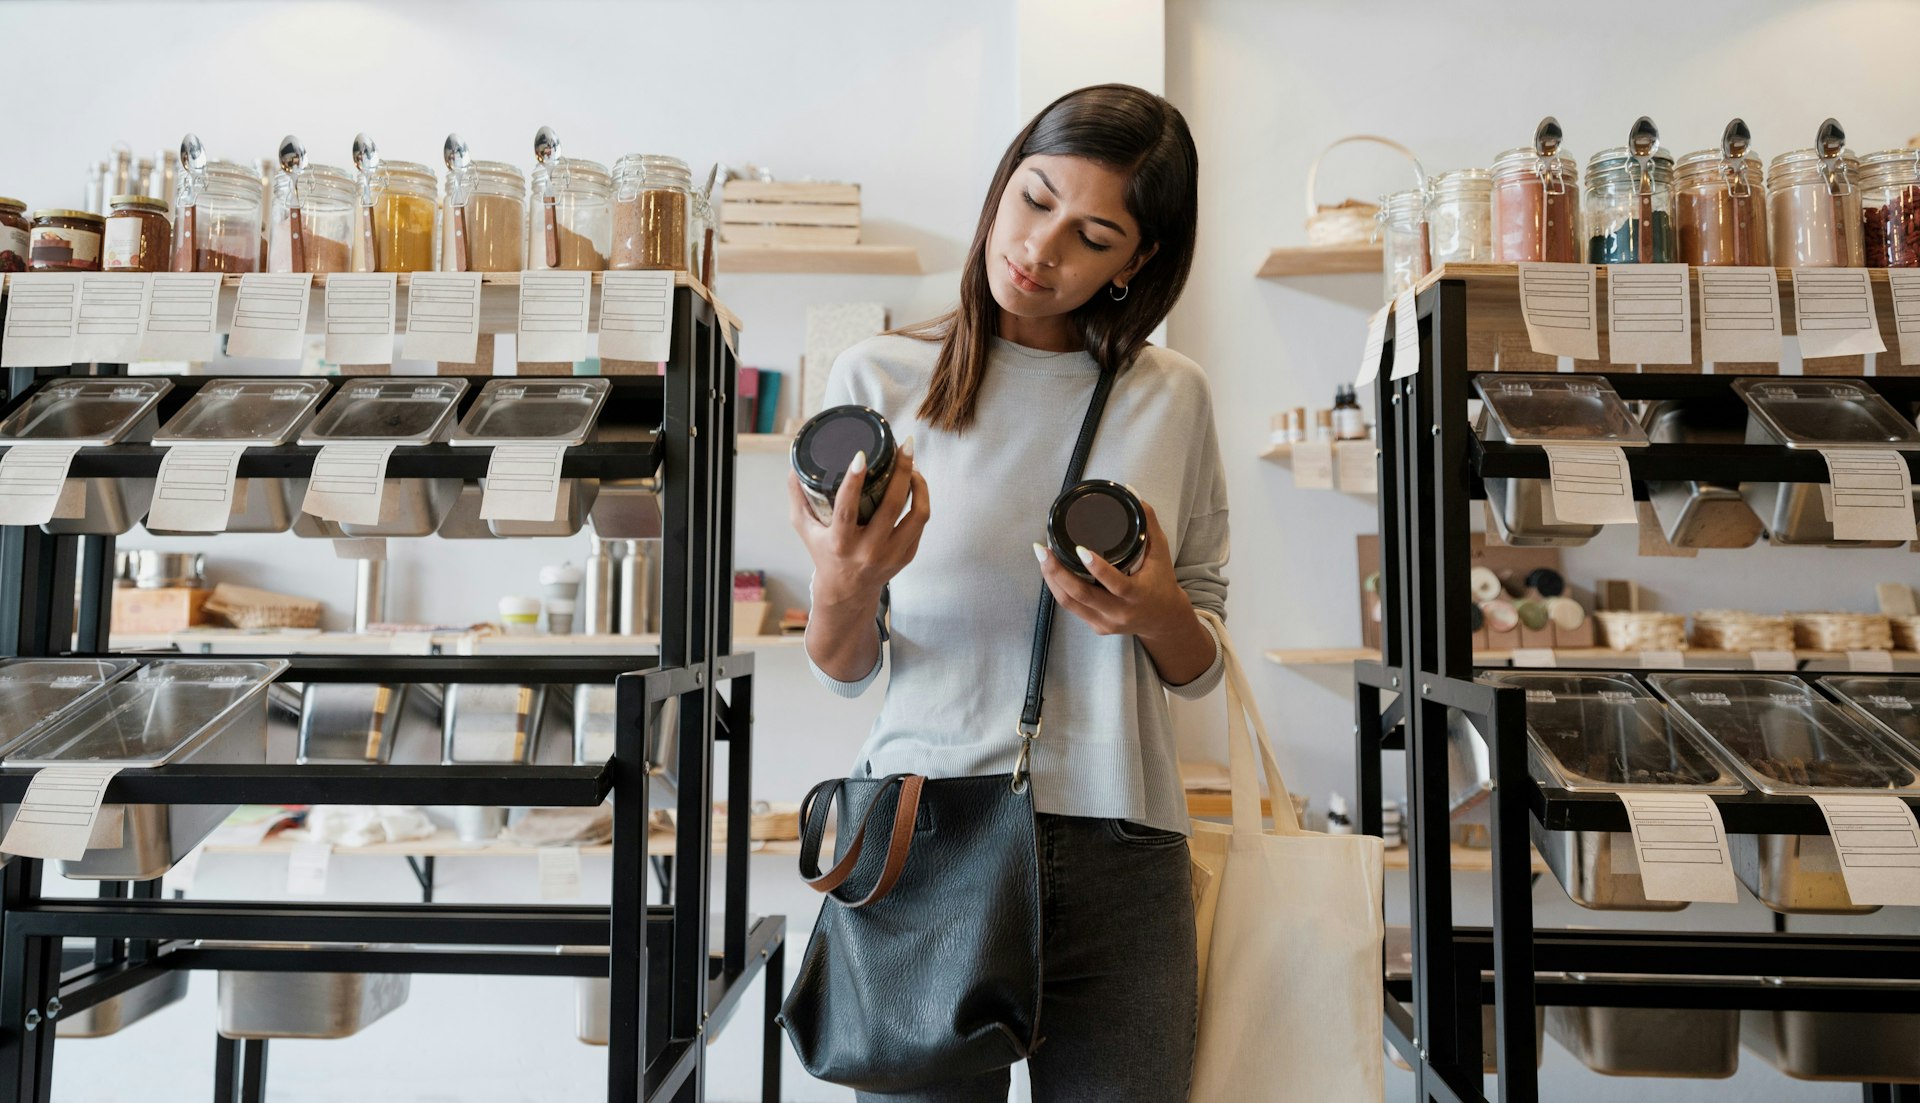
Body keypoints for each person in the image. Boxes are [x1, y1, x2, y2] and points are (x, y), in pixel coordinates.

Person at [787, 82, 1226, 1103]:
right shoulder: (880, 380)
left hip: (1123, 852)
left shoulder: (1173, 398)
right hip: (921, 834)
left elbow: (1200, 665)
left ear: (1138, 261)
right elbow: (845, 667)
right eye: (1033, 199)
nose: (1041, 249)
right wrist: (845, 586)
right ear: (1002, 183)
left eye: (1094, 234)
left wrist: (1155, 611)